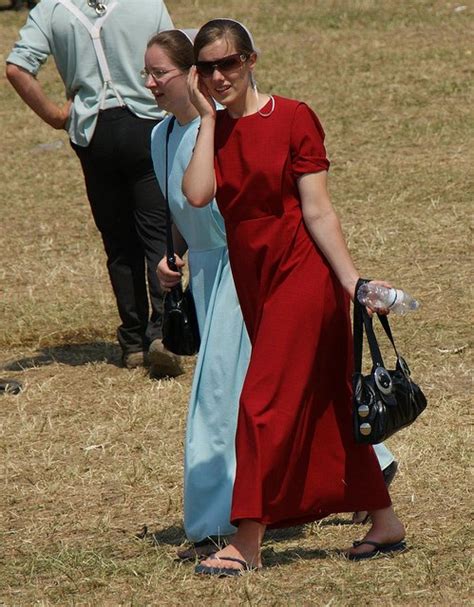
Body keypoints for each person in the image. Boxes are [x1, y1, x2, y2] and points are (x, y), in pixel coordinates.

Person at [183, 19, 406, 575]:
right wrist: (208, 118)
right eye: (206, 67)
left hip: (302, 277)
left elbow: (318, 209)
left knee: (261, 402)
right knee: (330, 402)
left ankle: (248, 538)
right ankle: (384, 520)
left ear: (251, 60)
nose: (218, 76)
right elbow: (196, 195)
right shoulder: (212, 129)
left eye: (228, 63)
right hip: (255, 279)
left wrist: (352, 281)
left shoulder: (293, 118)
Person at [5, 0, 183, 377]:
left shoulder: (51, 9)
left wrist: (55, 115)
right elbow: (174, 53)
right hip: (146, 124)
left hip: (93, 132)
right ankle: (162, 334)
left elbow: (17, 69)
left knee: (118, 242)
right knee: (158, 234)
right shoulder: (146, 4)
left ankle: (133, 342)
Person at [144, 29, 251, 555]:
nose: (150, 83)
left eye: (159, 73)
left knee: (217, 398)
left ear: (191, 75)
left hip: (243, 270)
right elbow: (183, 208)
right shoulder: (159, 136)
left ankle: (213, 524)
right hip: (207, 274)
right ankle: (373, 465)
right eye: (147, 73)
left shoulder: (227, 130)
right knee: (259, 386)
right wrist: (175, 256)